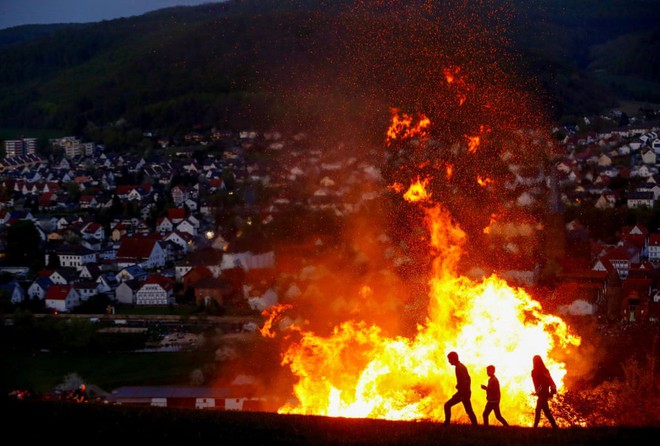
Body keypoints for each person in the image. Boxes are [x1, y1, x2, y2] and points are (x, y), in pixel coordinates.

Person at [444, 351, 478, 426]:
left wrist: (463, 392)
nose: (449, 361)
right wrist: (459, 386)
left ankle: (475, 425)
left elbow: (466, 380)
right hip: (462, 392)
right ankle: (446, 423)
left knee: (468, 410)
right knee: (448, 405)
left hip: (464, 393)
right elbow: (468, 379)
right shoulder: (460, 366)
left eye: (449, 359)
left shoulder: (459, 367)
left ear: (453, 359)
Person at [531, 355, 558, 428]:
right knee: (541, 411)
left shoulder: (535, 372)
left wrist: (537, 391)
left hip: (542, 394)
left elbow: (540, 384)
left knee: (542, 411)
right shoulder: (545, 370)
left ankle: (536, 427)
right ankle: (553, 426)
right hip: (544, 393)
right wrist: (552, 391)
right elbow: (551, 382)